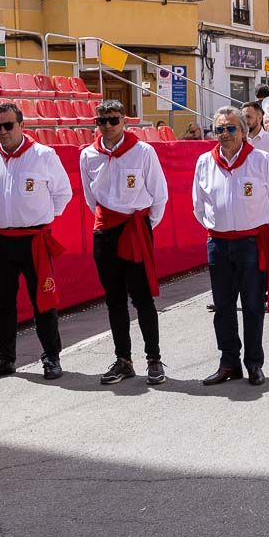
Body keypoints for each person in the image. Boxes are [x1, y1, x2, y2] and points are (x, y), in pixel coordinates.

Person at [0, 102, 73, 381]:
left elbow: (62, 194)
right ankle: (4, 359)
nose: (2, 132)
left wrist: (38, 217)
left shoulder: (43, 155)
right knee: (1, 301)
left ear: (21, 125)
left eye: (8, 125)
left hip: (33, 240)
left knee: (43, 300)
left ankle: (51, 357)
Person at [80, 100, 171, 386]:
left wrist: (145, 227)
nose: (107, 126)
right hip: (105, 229)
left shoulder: (143, 152)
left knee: (142, 298)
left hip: (135, 229)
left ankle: (154, 359)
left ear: (125, 121)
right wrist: (110, 220)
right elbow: (89, 197)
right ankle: (124, 359)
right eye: (101, 121)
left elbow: (159, 194)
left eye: (113, 120)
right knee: (114, 299)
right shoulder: (87, 155)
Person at [194, 107, 269, 386]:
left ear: (243, 132)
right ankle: (228, 362)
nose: (224, 134)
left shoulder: (262, 160)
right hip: (218, 244)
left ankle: (254, 364)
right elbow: (199, 206)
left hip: (250, 243)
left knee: (253, 306)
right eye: (219, 129)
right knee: (223, 307)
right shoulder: (204, 162)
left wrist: (253, 228)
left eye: (231, 128)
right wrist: (219, 227)